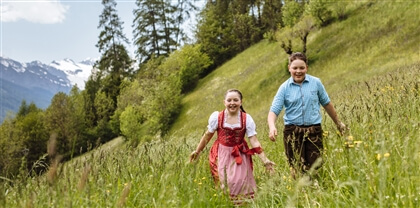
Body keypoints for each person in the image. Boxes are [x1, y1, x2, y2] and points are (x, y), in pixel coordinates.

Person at [267, 52, 347, 179]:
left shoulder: (316, 83)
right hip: (292, 132)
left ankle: (314, 193)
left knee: (315, 166)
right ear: (289, 68)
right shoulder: (284, 88)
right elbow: (274, 110)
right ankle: (300, 194)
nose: (298, 71)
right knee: (296, 167)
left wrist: (338, 123)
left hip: (313, 130)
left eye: (301, 68)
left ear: (306, 68)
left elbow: (327, 104)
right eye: (295, 68)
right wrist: (272, 126)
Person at [190, 89, 275, 205]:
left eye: (236, 100)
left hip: (240, 155)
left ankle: (243, 205)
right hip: (221, 153)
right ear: (224, 102)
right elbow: (207, 136)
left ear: (241, 102)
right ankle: (228, 204)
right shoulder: (217, 117)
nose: (232, 103)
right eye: (229, 100)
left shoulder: (246, 118)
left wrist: (265, 161)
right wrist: (197, 151)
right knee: (226, 182)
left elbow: (254, 141)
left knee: (241, 181)